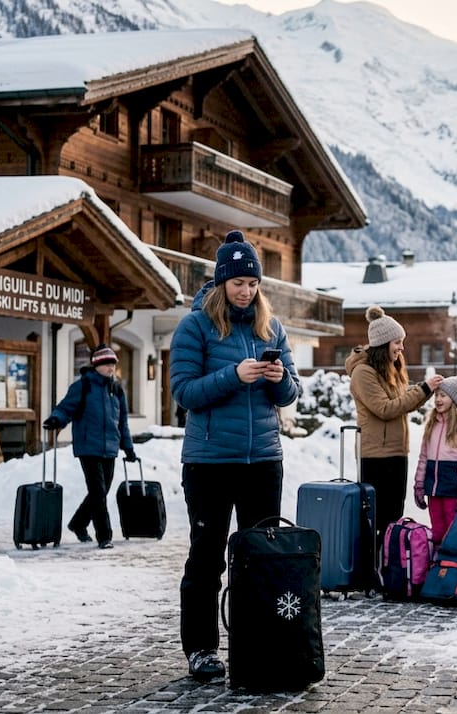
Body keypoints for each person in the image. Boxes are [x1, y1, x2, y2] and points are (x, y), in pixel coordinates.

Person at [168, 230, 301, 683]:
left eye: (253, 283)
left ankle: (258, 639)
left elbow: (290, 394)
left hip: (263, 460)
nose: (246, 290)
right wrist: (234, 375)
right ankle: (202, 648)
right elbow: (184, 392)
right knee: (207, 557)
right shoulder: (195, 327)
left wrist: (277, 376)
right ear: (222, 282)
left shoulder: (271, 327)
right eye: (238, 282)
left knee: (261, 556)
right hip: (209, 463)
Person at [347, 305, 444, 536]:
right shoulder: (363, 373)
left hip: (396, 452)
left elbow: (401, 399)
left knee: (393, 517)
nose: (402, 347)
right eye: (397, 342)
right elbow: (385, 408)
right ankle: (373, 567)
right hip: (375, 456)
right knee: (378, 520)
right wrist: (423, 389)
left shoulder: (391, 368)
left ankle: (391, 566)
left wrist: (426, 391)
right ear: (384, 343)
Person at [42, 345, 136, 550]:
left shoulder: (117, 389)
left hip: (110, 447)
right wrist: (56, 420)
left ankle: (78, 523)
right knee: (98, 491)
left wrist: (128, 448)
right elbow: (65, 408)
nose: (111, 368)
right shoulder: (83, 386)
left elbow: (123, 422)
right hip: (88, 446)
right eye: (107, 364)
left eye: (113, 364)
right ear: (97, 365)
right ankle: (104, 536)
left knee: (101, 491)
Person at [413, 370, 457, 545]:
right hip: (433, 487)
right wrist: (419, 484)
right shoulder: (431, 424)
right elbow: (423, 458)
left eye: (443, 395)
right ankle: (437, 565)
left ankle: (452, 567)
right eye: (436, 395)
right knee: (437, 531)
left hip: (453, 488)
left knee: (453, 530)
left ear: (455, 399)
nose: (438, 400)